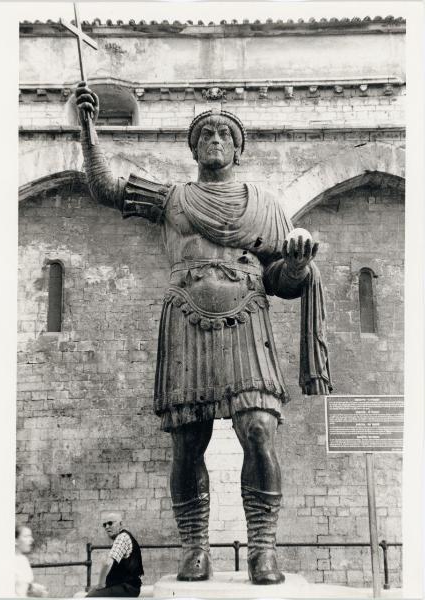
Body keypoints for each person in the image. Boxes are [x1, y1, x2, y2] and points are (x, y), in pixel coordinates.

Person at [76, 82, 332, 585]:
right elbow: (106, 188)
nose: (215, 138)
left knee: (258, 429)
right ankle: (195, 548)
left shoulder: (265, 204)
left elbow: (279, 280)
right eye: (206, 132)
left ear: (237, 147)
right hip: (186, 317)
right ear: (193, 148)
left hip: (247, 318)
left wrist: (299, 266)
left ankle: (262, 549)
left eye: (225, 132)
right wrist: (88, 131)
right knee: (187, 442)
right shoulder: (172, 197)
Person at [85, 513, 143, 597]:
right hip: (126, 586)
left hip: (127, 587)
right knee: (92, 592)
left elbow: (107, 563)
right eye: (104, 525)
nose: (107, 527)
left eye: (110, 523)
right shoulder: (124, 536)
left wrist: (101, 584)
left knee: (90, 597)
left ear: (121, 524)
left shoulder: (122, 537)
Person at [15, 524, 48, 597]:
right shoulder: (7, 562)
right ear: (15, 540)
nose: (31, 540)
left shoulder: (23, 560)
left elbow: (22, 585)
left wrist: (33, 588)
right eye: (26, 536)